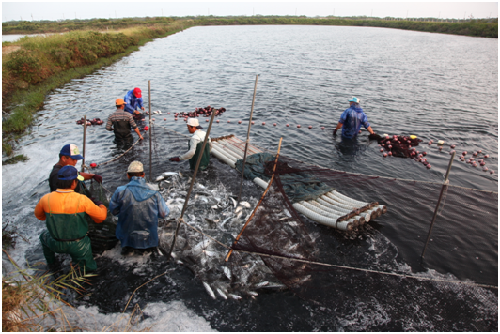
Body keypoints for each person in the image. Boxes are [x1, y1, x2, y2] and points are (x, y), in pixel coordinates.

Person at [36, 165, 107, 272]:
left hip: (55, 242)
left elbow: (40, 217)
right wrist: (101, 205)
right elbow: (101, 217)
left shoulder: (45, 199)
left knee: (43, 236)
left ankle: (51, 264)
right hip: (78, 245)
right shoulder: (82, 199)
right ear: (74, 183)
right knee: (89, 269)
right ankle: (89, 276)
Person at [108, 161, 169, 256]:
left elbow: (114, 211)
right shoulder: (155, 194)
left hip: (127, 240)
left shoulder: (120, 191)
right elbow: (164, 214)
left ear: (128, 175)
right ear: (143, 175)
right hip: (149, 239)